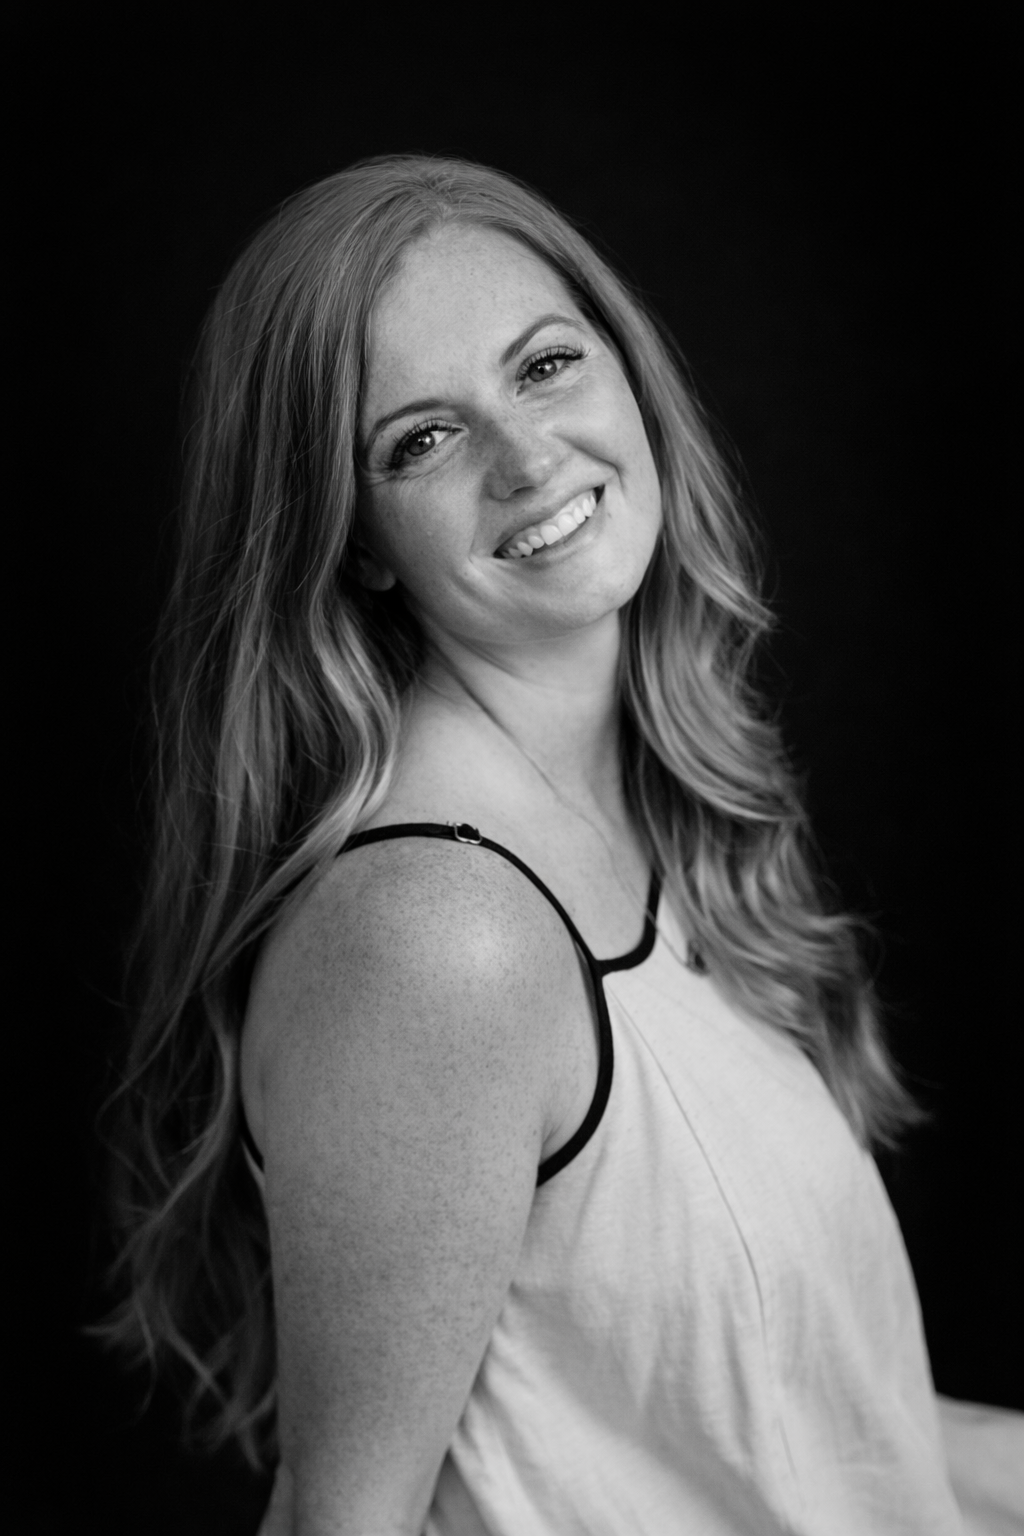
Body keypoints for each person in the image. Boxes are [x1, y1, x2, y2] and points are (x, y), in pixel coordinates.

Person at [104, 153, 981, 1534]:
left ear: (626, 370)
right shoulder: (442, 935)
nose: (528, 460)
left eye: (546, 365)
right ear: (358, 544)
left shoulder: (641, 818)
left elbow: (831, 1448)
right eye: (422, 439)